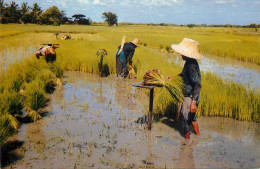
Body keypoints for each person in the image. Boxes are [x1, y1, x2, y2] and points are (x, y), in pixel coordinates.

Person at [171, 38, 203, 140]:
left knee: (185, 118)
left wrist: (193, 102)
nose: (181, 55)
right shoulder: (189, 62)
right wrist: (174, 78)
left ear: (187, 54)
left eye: (182, 53)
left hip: (190, 96)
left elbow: (197, 84)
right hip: (191, 95)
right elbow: (185, 76)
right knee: (192, 117)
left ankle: (186, 143)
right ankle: (197, 137)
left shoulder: (191, 66)